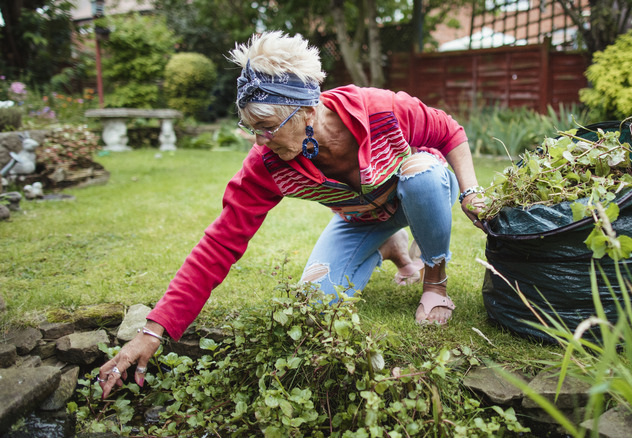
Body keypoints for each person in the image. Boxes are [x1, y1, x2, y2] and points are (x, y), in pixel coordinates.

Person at [97, 31, 485, 398]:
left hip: (419, 191)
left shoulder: (379, 108)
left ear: (307, 111)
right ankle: (392, 247)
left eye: (266, 127)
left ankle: (434, 281)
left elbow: (449, 132)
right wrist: (154, 329)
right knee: (313, 306)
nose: (259, 141)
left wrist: (470, 192)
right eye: (250, 128)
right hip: (362, 217)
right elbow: (220, 242)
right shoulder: (267, 163)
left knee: (423, 176)